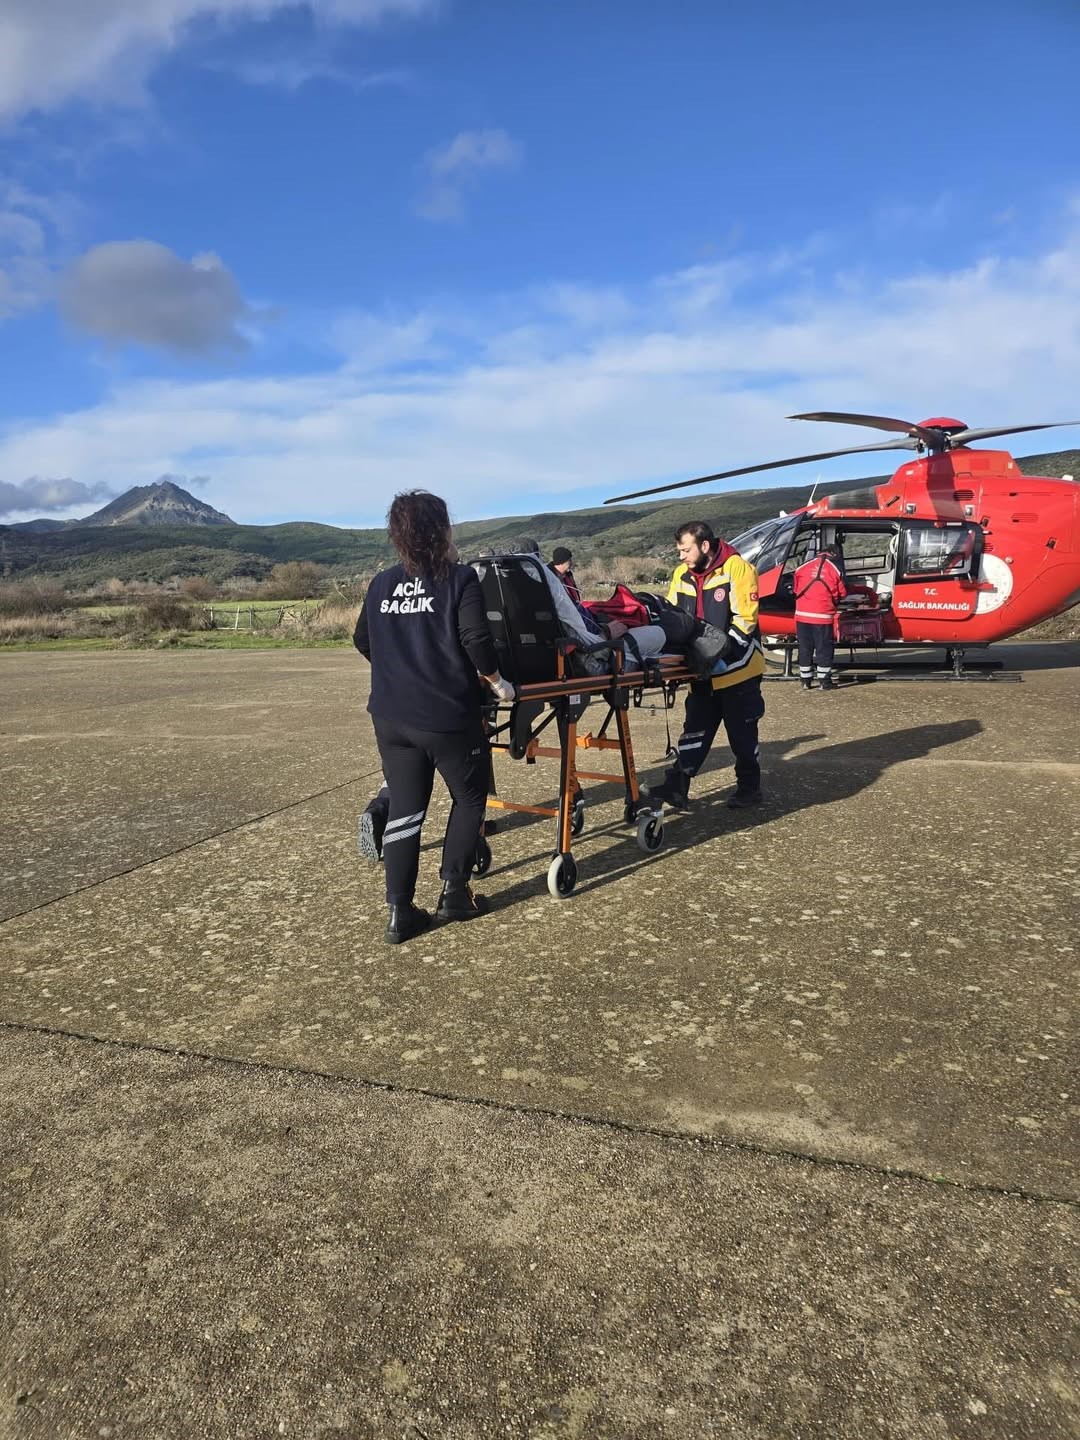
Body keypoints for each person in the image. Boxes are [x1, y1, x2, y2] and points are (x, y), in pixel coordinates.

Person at [353, 490, 515, 944]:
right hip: (446, 715)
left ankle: (400, 913)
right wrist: (497, 681)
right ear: (440, 530)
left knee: (406, 809)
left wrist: (398, 671)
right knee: (468, 799)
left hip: (390, 715)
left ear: (398, 534)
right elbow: (476, 640)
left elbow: (362, 639)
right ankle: (455, 893)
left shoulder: (381, 583)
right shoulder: (460, 579)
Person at [647, 520, 766, 811]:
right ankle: (677, 785)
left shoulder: (737, 569)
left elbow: (745, 621)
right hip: (701, 672)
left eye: (685, 550)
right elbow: (675, 619)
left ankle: (749, 789)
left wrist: (718, 655)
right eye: (679, 551)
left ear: (704, 545)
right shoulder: (681, 575)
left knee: (742, 734)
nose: (681, 556)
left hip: (738, 670)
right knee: (694, 732)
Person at [507, 538, 667, 671]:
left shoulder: (507, 596)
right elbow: (579, 639)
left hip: (527, 663)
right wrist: (606, 633)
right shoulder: (551, 588)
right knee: (659, 633)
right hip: (588, 658)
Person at [793, 542, 847, 691]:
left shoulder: (802, 567)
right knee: (823, 648)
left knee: (805, 648)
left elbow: (796, 589)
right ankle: (824, 682)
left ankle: (805, 680)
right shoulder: (835, 569)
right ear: (834, 555)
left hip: (801, 616)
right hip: (822, 617)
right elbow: (841, 593)